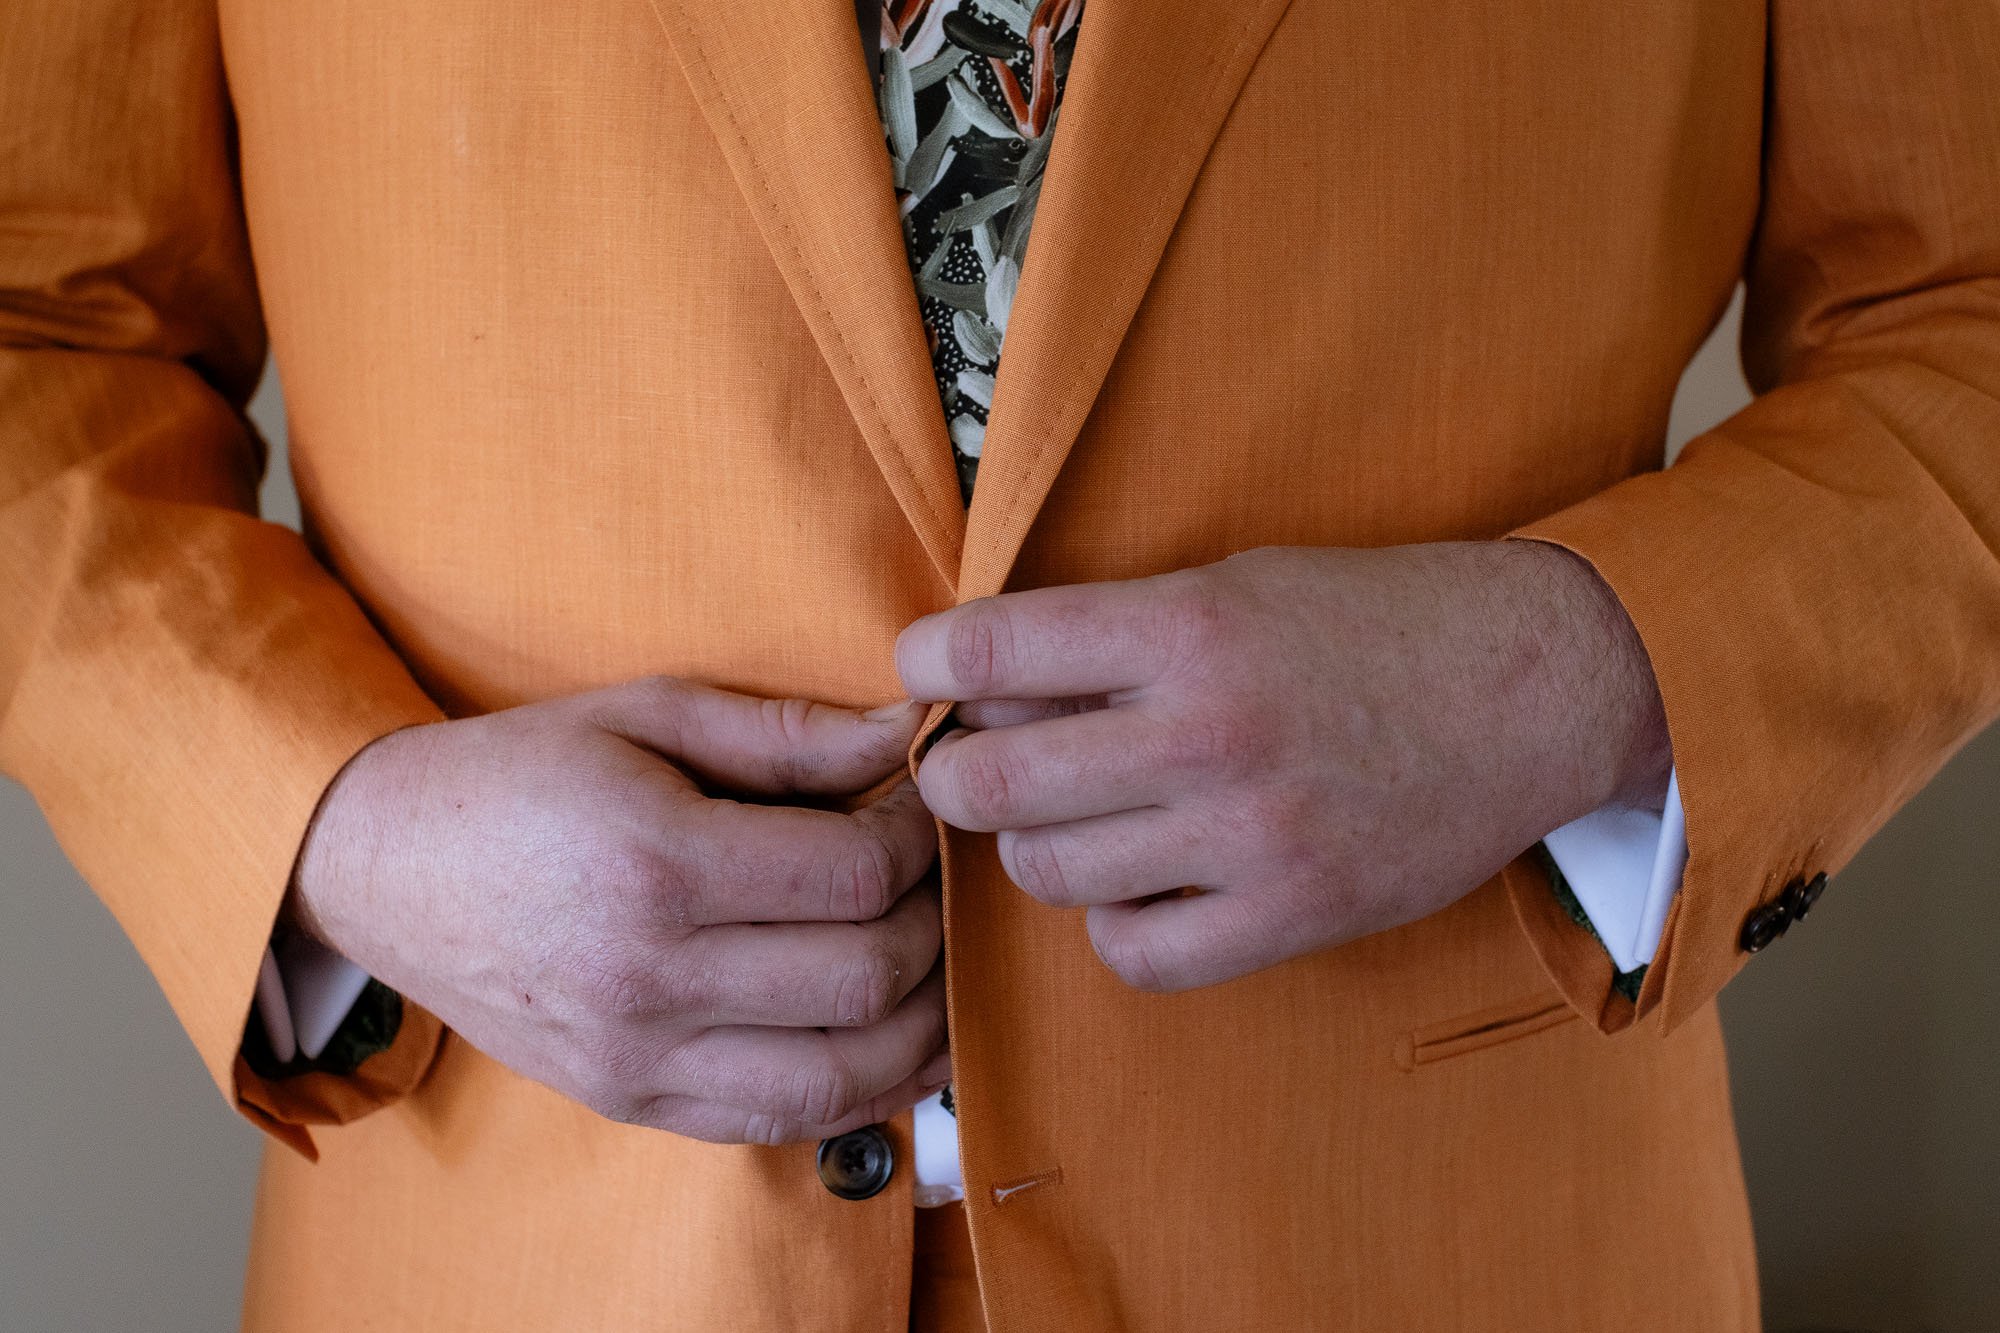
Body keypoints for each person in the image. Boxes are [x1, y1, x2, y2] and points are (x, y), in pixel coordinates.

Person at [2, 0, 1995, 1329]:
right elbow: (36, 328)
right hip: (526, 1249)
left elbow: (1962, 302)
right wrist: (342, 827)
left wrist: (1568, 680)